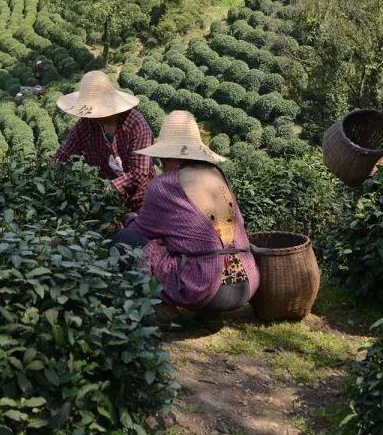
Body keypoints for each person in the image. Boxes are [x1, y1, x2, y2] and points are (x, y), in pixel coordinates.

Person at [113, 111, 259, 314]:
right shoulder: (216, 173)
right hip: (247, 282)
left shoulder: (164, 185)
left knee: (125, 238)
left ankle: (159, 308)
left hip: (207, 287)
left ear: (168, 154)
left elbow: (141, 232)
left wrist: (127, 219)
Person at [53, 70, 155, 210]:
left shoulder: (136, 125)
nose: (93, 117)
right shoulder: (87, 124)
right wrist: (51, 172)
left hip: (141, 201)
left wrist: (108, 188)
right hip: (107, 202)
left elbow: (139, 174)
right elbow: (65, 154)